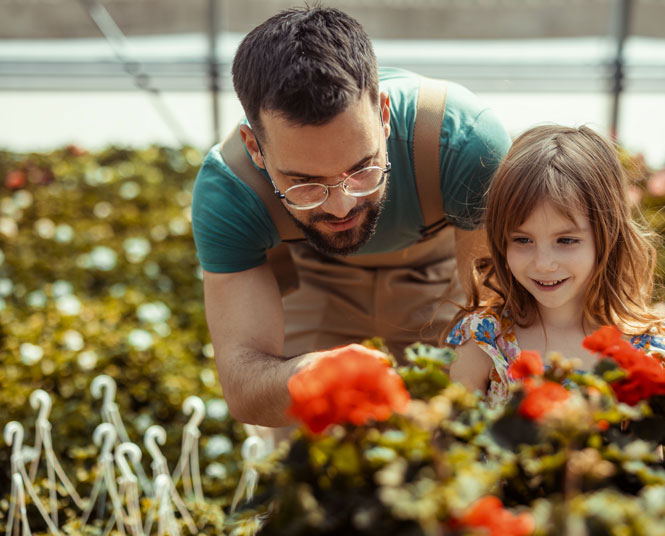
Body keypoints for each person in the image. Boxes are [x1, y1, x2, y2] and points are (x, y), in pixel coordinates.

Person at [191, 6, 511, 427]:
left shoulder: (466, 143)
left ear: (383, 113)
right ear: (254, 146)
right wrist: (308, 376)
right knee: (314, 453)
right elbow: (245, 387)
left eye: (362, 170)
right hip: (311, 281)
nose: (341, 206)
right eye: (305, 183)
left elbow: (492, 313)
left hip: (439, 276)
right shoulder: (230, 192)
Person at [446, 125, 665, 407]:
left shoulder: (654, 354)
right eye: (522, 240)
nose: (543, 263)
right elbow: (449, 443)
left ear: (608, 235)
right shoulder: (485, 340)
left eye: (565, 240)